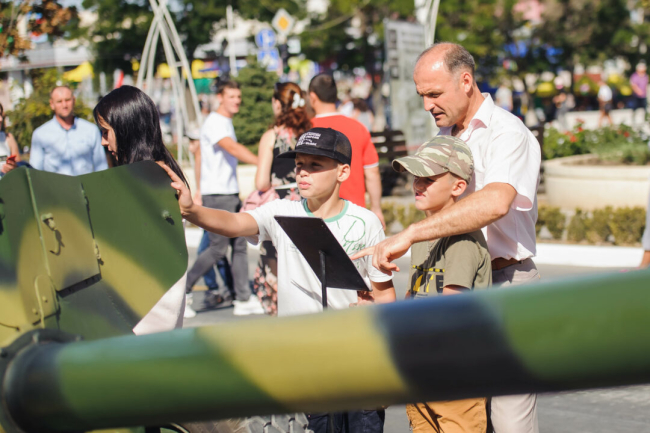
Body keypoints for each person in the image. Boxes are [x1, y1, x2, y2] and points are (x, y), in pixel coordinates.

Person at [352, 42, 542, 433]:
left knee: (508, 421)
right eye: (422, 95)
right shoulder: (444, 133)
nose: (427, 105)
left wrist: (410, 235)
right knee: (453, 414)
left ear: (466, 81)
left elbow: (495, 202)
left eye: (434, 93)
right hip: (448, 285)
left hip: (505, 283)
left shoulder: (507, 132)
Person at [160, 126, 396, 433]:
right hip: (302, 366)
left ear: (343, 172)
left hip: (355, 362)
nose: (303, 173)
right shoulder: (282, 212)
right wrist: (191, 210)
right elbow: (234, 222)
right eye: (299, 165)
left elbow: (384, 295)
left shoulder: (365, 222)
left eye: (315, 165)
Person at [395, 135, 492, 433]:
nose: (418, 184)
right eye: (416, 177)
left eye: (429, 178)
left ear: (458, 187)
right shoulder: (421, 235)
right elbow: (413, 298)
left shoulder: (461, 240)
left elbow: (448, 311)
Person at [93, 85, 188, 334]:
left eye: (106, 132)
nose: (103, 141)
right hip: (154, 301)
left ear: (126, 128)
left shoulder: (149, 178)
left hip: (145, 308)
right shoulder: (158, 169)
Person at [185, 80, 260, 316]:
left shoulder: (224, 121)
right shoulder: (216, 122)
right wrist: (262, 162)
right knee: (217, 249)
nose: (236, 101)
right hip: (218, 195)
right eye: (231, 96)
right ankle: (183, 292)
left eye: (238, 96)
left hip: (228, 192)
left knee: (239, 246)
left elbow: (202, 157)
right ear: (220, 97)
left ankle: (242, 298)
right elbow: (232, 148)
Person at [253, 81, 311, 315]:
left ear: (278, 104)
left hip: (280, 209)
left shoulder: (272, 136)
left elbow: (261, 182)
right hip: (306, 206)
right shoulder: (310, 135)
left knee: (276, 267)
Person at [308, 74, 385, 227]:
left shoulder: (306, 130)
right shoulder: (358, 127)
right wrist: (376, 208)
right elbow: (372, 172)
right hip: (355, 215)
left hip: (317, 214)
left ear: (312, 97)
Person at [186, 131, 234, 318]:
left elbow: (201, 176)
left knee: (209, 250)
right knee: (218, 252)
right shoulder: (206, 154)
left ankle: (204, 288)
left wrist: (199, 191)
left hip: (211, 201)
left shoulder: (202, 154)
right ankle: (229, 289)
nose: (190, 147)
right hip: (214, 200)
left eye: (192, 142)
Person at [31, 86, 109, 175]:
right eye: (59, 101)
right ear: (52, 104)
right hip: (55, 184)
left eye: (67, 100)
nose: (64, 105)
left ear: (74, 100)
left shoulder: (91, 130)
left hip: (86, 183)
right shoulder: (40, 134)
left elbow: (101, 167)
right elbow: (35, 172)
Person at [0, 102, 22, 175]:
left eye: (0, 114)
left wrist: (14, 167)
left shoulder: (8, 138)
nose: (1, 119)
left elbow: (20, 169)